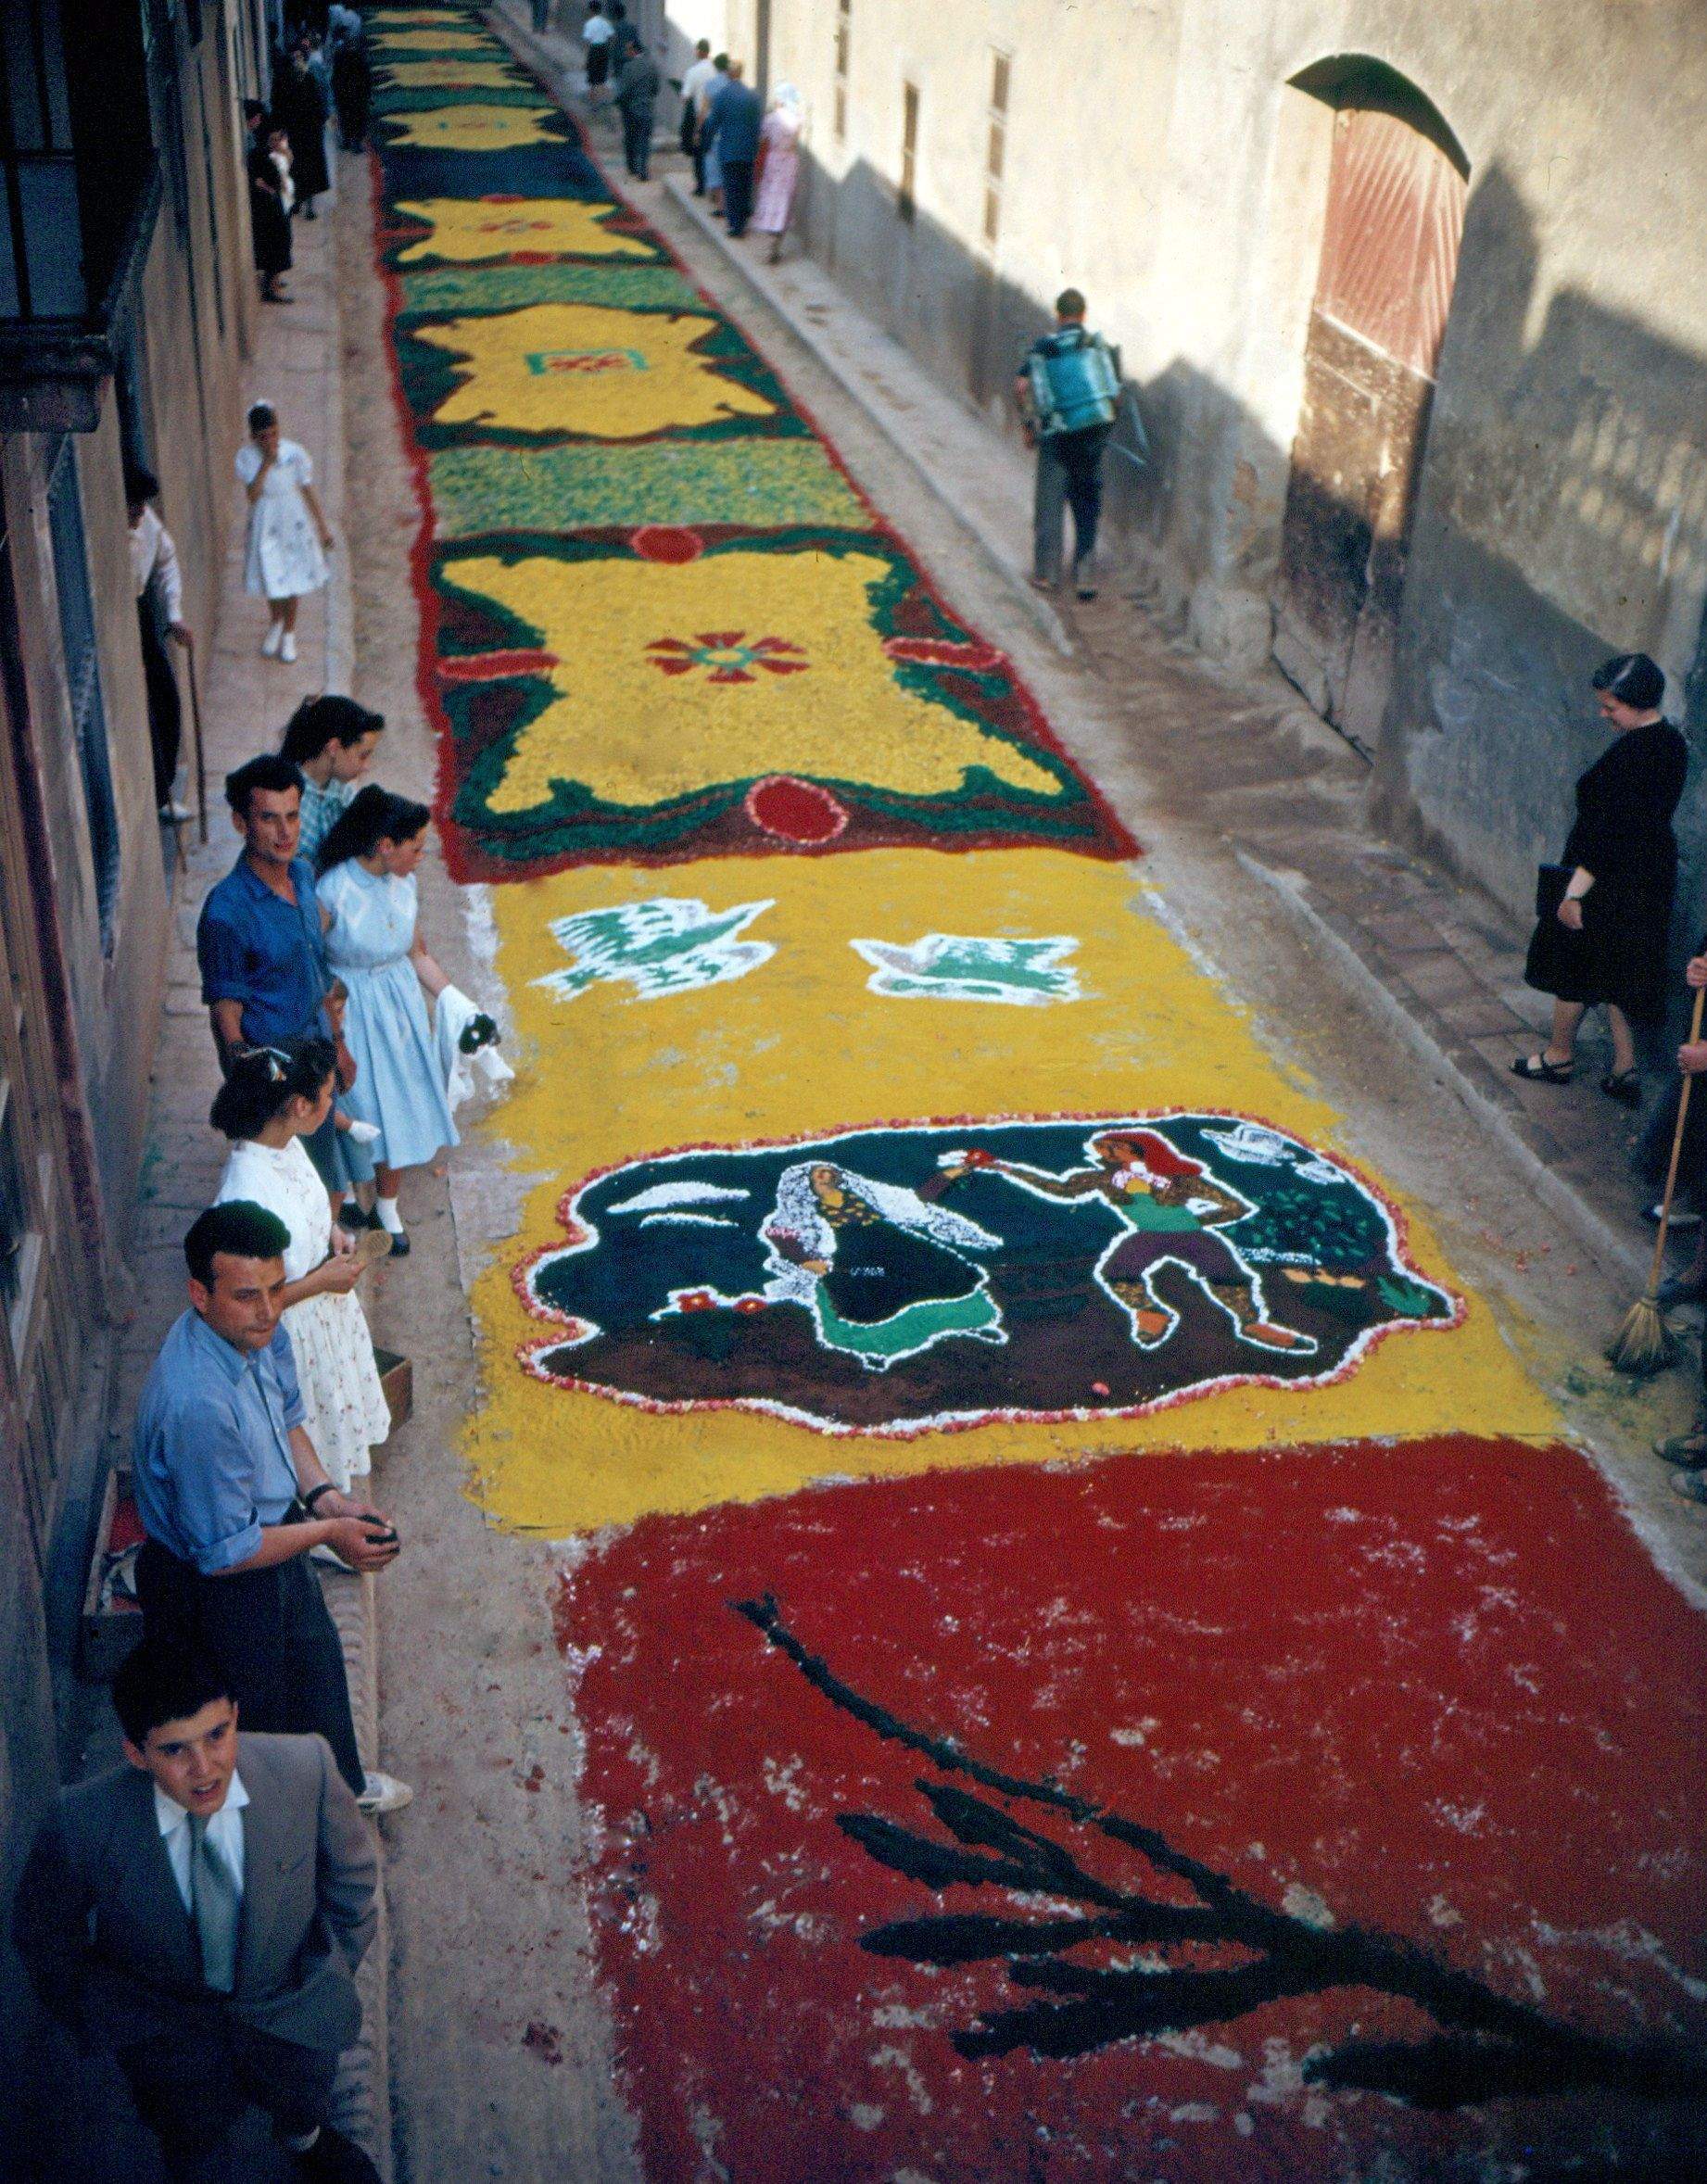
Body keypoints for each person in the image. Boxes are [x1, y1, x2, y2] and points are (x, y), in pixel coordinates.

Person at [12, 1638, 382, 2183]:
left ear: (236, 1715)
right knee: (188, 2132)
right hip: (166, 2039)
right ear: (136, 1754)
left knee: (300, 2093)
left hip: (290, 2010)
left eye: (217, 1734)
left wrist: (326, 1973)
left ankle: (304, 2138)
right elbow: (44, 1932)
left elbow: (350, 1882)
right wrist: (106, 2015)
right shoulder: (82, 1822)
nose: (204, 1768)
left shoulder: (306, 1768)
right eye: (174, 1750)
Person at [131, 1201, 411, 1815]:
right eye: (247, 1295)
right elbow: (226, 1553)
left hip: (272, 1528)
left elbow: (287, 1423)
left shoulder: (255, 1329)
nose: (267, 1311)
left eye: (277, 1289)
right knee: (262, 1719)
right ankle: (301, 1838)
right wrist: (328, 1531)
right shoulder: (199, 1406)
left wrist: (325, 1496)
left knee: (316, 1659)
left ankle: (343, 1788)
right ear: (198, 1294)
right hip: (216, 1583)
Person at [211, 1041, 392, 1498]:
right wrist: (318, 1281)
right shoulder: (244, 1197)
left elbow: (305, 1204)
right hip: (288, 1336)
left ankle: (333, 1501)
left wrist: (328, 1231)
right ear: (298, 1105)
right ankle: (317, 1517)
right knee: (305, 1424)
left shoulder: (284, 1144)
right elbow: (249, 1310)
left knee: (330, 1414)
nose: (332, 1104)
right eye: (327, 1095)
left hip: (322, 1315)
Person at [956, 1128, 1318, 1355]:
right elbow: (1059, 1189)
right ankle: (1150, 1312)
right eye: (1103, 1150)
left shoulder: (1180, 1181)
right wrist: (1003, 1167)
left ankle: (1252, 1322)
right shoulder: (1102, 1179)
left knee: (1227, 1275)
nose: (1104, 1154)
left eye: (1113, 1148)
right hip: (1147, 1237)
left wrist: (1197, 1220)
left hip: (1192, 1235)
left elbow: (1235, 1205)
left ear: (1138, 1151)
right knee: (1118, 1272)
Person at [1513, 653, 1688, 1105]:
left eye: (1611, 707)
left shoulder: (1632, 756)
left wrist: (1573, 894)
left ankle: (1559, 1055)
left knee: (1573, 961)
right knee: (1623, 969)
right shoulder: (1670, 743)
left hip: (1605, 878)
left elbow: (1609, 835)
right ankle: (1624, 1069)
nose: (1604, 714)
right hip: (1648, 877)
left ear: (1637, 703)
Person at [197, 754, 348, 1217]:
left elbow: (315, 966)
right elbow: (227, 1018)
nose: (285, 832)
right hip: (280, 1075)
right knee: (307, 1197)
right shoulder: (226, 912)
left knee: (328, 1190)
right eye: (268, 819)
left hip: (317, 1049)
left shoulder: (302, 875)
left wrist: (338, 1045)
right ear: (241, 823)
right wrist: (256, 1100)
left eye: (292, 815)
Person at [317, 789, 458, 1256]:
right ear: (384, 845)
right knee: (362, 1109)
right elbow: (313, 961)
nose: (421, 855)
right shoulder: (333, 890)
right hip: (353, 1006)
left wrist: (457, 1001)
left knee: (402, 1099)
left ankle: (388, 1205)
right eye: (415, 846)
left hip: (398, 1005)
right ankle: (346, 1202)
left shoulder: (405, 884)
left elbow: (416, 953)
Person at [1016, 288, 1120, 600]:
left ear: (1058, 315)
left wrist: (1028, 426)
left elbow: (1021, 387)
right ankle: (1085, 576)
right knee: (1087, 504)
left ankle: (1047, 573)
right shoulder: (1099, 346)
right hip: (1091, 439)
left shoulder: (1045, 347)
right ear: (1084, 315)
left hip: (1056, 437)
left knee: (1049, 504)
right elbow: (1115, 396)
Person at [237, 400, 332, 663]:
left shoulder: (295, 454)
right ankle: (275, 621)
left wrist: (322, 526)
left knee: (292, 576)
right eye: (263, 437)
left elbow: (307, 490)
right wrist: (265, 464)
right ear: (254, 437)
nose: (270, 440)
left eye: (274, 434)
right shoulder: (247, 458)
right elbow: (252, 495)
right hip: (266, 519)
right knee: (271, 573)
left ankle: (289, 632)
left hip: (292, 518)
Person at [126, 461, 193, 822]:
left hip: (141, 611)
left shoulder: (147, 522)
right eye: (132, 505)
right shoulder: (114, 531)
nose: (138, 512)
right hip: (122, 615)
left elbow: (166, 559)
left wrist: (174, 614)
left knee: (166, 702)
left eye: (141, 505)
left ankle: (163, 794)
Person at [281, 693, 386, 864]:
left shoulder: (342, 793)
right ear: (334, 747)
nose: (367, 766)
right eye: (363, 756)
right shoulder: (285, 795)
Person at [702, 58, 761, 237]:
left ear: (728, 73)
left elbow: (713, 122)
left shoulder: (723, 95)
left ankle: (735, 225)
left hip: (729, 149)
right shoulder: (752, 96)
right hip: (748, 149)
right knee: (744, 185)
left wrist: (706, 142)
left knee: (732, 186)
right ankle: (742, 221)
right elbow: (757, 124)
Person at [276, 43, 331, 219]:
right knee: (295, 169)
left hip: (308, 132)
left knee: (307, 170)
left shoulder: (308, 79)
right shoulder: (284, 81)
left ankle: (307, 204)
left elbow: (318, 103)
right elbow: (278, 106)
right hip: (295, 133)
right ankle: (298, 201)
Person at [247, 100, 293, 303]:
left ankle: (272, 280)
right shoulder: (256, 147)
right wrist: (269, 189)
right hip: (267, 204)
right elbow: (256, 179)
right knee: (275, 243)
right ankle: (270, 286)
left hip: (274, 201)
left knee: (278, 242)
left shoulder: (261, 143)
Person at [752, 83, 804, 262]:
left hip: (774, 160)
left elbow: (763, 139)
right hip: (790, 161)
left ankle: (770, 241)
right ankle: (777, 242)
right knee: (785, 199)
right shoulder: (797, 119)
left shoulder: (771, 119)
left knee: (771, 196)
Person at [614, 38, 661, 180]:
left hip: (631, 109)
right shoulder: (651, 66)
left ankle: (632, 167)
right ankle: (643, 169)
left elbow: (624, 90)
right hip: (646, 107)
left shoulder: (628, 67)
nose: (626, 53)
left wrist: (619, 102)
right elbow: (655, 88)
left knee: (631, 138)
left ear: (634, 51)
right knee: (645, 140)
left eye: (628, 50)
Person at [678, 37, 714, 191]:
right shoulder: (716, 70)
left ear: (699, 51)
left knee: (699, 152)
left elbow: (685, 97)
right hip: (716, 117)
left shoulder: (693, 72)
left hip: (700, 117)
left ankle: (701, 185)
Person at [581, 0, 614, 90]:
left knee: (592, 76)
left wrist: (586, 59)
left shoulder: (589, 23)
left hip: (594, 49)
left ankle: (593, 97)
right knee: (601, 75)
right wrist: (608, 49)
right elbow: (611, 37)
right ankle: (601, 96)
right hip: (604, 49)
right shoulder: (606, 22)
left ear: (591, 10)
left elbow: (587, 42)